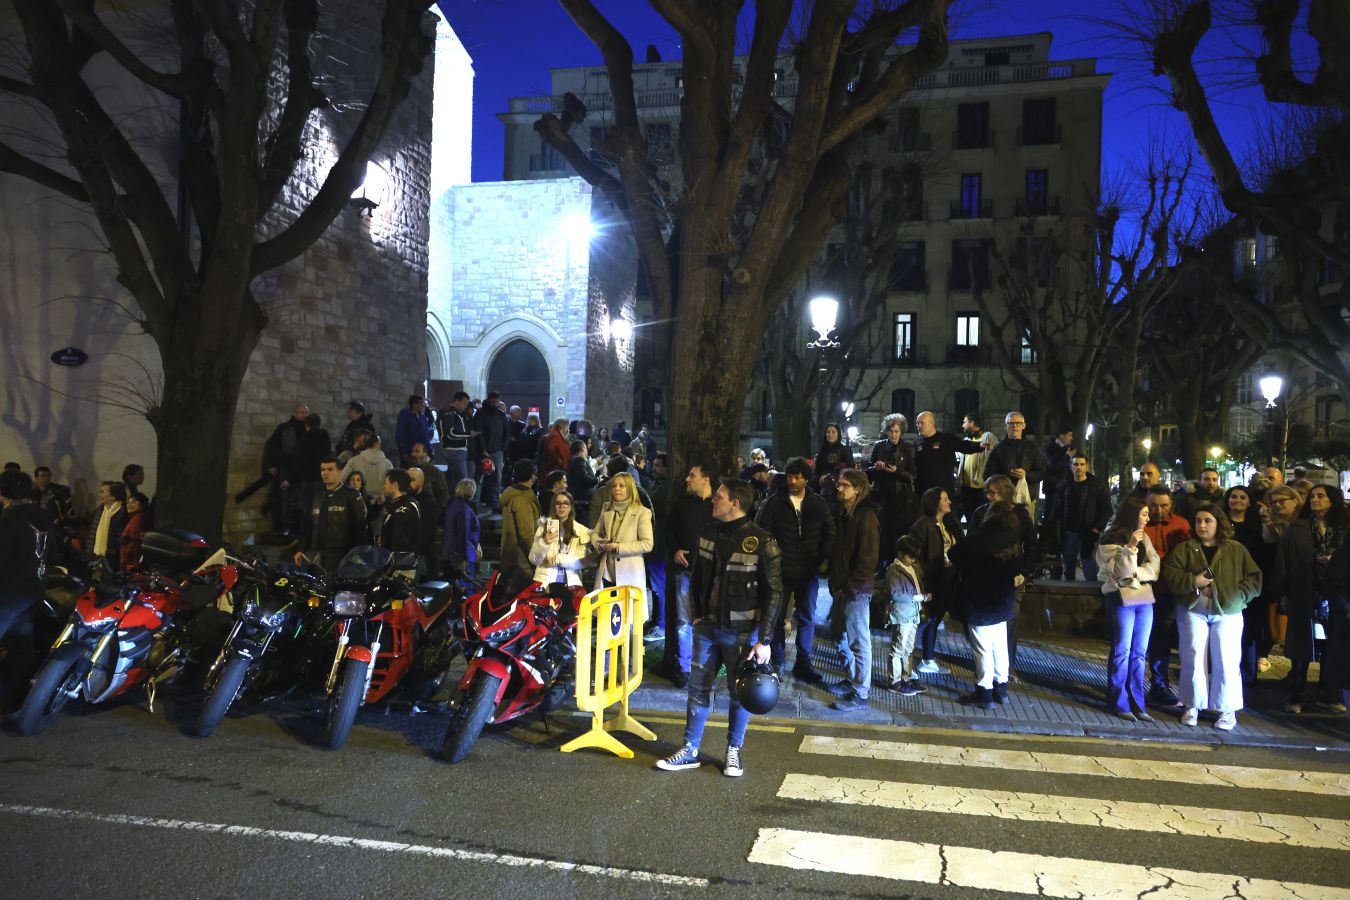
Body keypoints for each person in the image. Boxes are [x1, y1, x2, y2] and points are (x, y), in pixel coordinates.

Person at [656, 478, 782, 778]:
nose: (713, 500)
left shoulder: (763, 541)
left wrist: (764, 640)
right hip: (707, 627)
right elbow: (699, 575)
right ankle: (690, 750)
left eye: (719, 497)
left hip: (742, 631)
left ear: (735, 504)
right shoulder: (708, 532)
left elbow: (774, 592)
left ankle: (733, 751)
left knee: (739, 693)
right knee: (698, 688)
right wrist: (698, 613)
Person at [1162, 503, 1262, 730]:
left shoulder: (1236, 549)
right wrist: (1192, 582)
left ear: (1219, 523)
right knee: (1192, 657)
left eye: (1208, 520)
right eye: (1198, 521)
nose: (1202, 525)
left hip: (1228, 612)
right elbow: (1170, 573)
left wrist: (1239, 596)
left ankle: (1227, 709)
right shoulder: (1185, 548)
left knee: (1227, 660)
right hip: (1193, 610)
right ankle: (1192, 704)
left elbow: (1255, 578)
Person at [755, 457, 835, 681]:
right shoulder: (774, 502)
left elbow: (830, 531)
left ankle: (803, 661)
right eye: (790, 476)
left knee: (807, 616)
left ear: (806, 479)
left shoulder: (817, 503)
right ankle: (779, 660)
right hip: (781, 571)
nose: (793, 481)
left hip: (808, 569)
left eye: (798, 477)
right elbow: (763, 532)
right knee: (777, 617)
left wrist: (822, 556)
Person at [1270, 484, 1345, 713]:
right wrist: (1282, 593)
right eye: (1313, 496)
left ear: (1333, 500)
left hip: (1336, 594)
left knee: (1334, 644)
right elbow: (1283, 561)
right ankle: (1297, 693)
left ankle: (1328, 692)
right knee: (1301, 643)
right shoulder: (1298, 528)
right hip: (1303, 591)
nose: (1315, 499)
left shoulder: (1344, 528)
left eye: (1321, 496)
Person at [951, 501, 1024, 709]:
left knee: (982, 649)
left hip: (980, 601)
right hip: (1002, 600)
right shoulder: (1012, 538)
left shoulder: (978, 539)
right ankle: (1001, 688)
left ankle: (984, 692)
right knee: (999, 646)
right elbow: (1019, 566)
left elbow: (954, 554)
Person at [1095, 497, 1161, 721]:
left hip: (1144, 597)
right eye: (1143, 514)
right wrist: (1131, 547)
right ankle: (1119, 702)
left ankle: (1137, 703)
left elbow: (1154, 567)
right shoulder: (1109, 539)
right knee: (1122, 651)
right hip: (1120, 598)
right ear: (1132, 515)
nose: (1148, 518)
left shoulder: (1146, 537)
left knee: (1140, 653)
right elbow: (1121, 572)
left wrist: (1137, 575)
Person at [825, 469, 880, 712]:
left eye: (845, 485)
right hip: (843, 588)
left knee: (859, 641)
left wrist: (848, 587)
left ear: (858, 489)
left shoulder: (865, 517)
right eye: (839, 484)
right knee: (839, 636)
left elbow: (866, 559)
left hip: (855, 590)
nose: (840, 488)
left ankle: (861, 691)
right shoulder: (847, 516)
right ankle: (852, 678)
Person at [661, 463, 716, 688]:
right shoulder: (681, 505)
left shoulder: (717, 506)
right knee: (683, 621)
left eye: (692, 476)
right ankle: (684, 668)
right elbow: (668, 531)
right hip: (684, 573)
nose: (686, 479)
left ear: (705, 480)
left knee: (710, 621)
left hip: (711, 576)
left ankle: (707, 667)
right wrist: (674, 551)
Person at [0, 470, 51, 704]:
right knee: (21, 644)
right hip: (33, 589)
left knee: (19, 642)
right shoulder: (41, 516)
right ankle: (20, 699)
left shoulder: (9, 519)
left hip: (9, 592)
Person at [1143, 486, 1193, 709]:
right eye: (1154, 505)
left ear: (1171, 504)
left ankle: (1160, 684)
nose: (1159, 510)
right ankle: (1147, 683)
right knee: (1146, 639)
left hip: (1170, 590)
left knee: (1164, 638)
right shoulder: (1140, 522)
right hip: (1144, 589)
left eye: (1163, 505)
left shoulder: (1181, 524)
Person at [908, 487, 963, 676]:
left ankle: (928, 659)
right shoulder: (923, 525)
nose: (949, 502)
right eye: (945, 499)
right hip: (931, 580)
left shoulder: (948, 523)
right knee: (924, 620)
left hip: (947, 578)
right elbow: (915, 555)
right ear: (934, 503)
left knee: (934, 619)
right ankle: (906, 661)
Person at [1225, 485, 1273, 680]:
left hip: (1249, 586)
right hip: (1226, 585)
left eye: (1243, 497)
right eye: (1234, 496)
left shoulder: (1256, 526)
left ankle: (1247, 673)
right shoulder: (1220, 524)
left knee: (1250, 630)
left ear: (1249, 502)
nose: (1238, 500)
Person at [295, 457, 368, 573]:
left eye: (330, 469)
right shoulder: (317, 497)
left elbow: (360, 528)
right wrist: (302, 549)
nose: (325, 473)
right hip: (316, 554)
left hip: (341, 554)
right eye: (323, 470)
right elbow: (310, 526)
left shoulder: (351, 495)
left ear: (339, 472)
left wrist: (356, 555)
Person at [590, 472, 653, 597]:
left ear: (630, 488)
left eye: (621, 486)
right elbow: (595, 533)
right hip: (606, 573)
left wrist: (618, 547)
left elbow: (647, 544)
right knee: (606, 613)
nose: (616, 489)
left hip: (629, 574)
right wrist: (599, 543)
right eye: (614, 486)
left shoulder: (642, 512)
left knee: (627, 614)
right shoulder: (606, 508)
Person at [1052, 453, 1112, 581]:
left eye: (1081, 464)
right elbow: (1058, 509)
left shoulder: (1097, 486)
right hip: (1069, 532)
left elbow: (1107, 509)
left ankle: (1090, 596)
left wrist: (1097, 527)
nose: (1078, 467)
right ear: (1071, 467)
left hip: (1089, 532)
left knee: (1090, 568)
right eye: (1075, 464)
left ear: (1087, 467)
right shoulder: (1064, 486)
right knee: (1068, 567)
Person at [867, 414, 916, 567]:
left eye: (896, 431)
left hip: (900, 498)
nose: (893, 434)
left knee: (898, 532)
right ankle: (881, 566)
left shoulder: (908, 448)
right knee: (881, 533)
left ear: (901, 431)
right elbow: (868, 472)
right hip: (881, 495)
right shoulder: (879, 446)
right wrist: (877, 468)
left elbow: (912, 476)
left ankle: (895, 565)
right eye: (891, 431)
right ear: (886, 432)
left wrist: (896, 471)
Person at [885, 534, 928, 695]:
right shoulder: (894, 571)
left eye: (915, 557)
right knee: (898, 648)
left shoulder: (912, 568)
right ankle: (894, 681)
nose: (913, 560)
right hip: (902, 614)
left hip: (913, 614)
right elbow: (895, 593)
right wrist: (919, 597)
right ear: (900, 553)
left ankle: (906, 677)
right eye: (910, 556)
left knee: (908, 648)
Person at [912, 410, 989, 498]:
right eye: (917, 423)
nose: (918, 426)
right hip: (924, 492)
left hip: (944, 491)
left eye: (921, 423)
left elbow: (964, 445)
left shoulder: (946, 439)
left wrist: (979, 445)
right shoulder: (917, 443)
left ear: (931, 423)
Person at [983, 411, 1043, 519]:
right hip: (1002, 500)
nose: (1014, 426)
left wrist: (1026, 474)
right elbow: (987, 474)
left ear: (1024, 426)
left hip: (1027, 499)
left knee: (1025, 531)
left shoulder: (1033, 447)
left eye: (1018, 423)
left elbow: (1042, 473)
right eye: (1010, 423)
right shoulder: (998, 448)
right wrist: (1004, 478)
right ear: (1006, 426)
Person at [262, 404, 309, 533]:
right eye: (302, 412)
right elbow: (272, 446)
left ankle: (296, 527)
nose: (304, 415)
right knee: (284, 498)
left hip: (301, 470)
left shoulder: (308, 430)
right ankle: (283, 526)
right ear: (295, 413)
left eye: (306, 412)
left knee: (299, 498)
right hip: (286, 467)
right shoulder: (284, 428)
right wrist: (271, 465)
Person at [529, 491, 590, 587]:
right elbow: (533, 559)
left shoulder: (581, 531)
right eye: (558, 503)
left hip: (571, 582)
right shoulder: (543, 527)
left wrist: (556, 559)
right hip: (544, 582)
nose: (561, 506)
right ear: (554, 507)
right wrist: (545, 542)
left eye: (565, 503)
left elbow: (582, 561)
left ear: (570, 507)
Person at [499, 459, 541, 572]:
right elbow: (526, 534)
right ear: (532, 476)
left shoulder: (514, 495)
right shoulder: (522, 500)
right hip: (521, 562)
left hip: (514, 558)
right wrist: (536, 559)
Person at [474, 392, 511, 510]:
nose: (495, 404)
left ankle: (494, 502)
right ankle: (476, 503)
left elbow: (507, 432)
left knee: (496, 478)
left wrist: (503, 447)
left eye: (497, 402)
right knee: (479, 477)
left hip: (497, 451)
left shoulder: (501, 415)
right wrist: (483, 449)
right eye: (493, 401)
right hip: (483, 451)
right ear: (489, 400)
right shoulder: (480, 414)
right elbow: (479, 433)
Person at [957, 414, 995, 522]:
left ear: (972, 423)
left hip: (981, 488)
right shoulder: (966, 440)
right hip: (966, 487)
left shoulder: (988, 437)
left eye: (965, 422)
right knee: (970, 518)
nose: (963, 425)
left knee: (982, 519)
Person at [441, 479, 481, 580]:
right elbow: (463, 534)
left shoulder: (453, 506)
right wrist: (468, 556)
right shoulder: (464, 509)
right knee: (461, 586)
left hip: (451, 552)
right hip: (460, 555)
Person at [339, 434, 393, 508]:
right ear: (377, 444)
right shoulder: (388, 464)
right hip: (380, 503)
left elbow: (340, 480)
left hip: (357, 502)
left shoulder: (354, 461)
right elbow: (392, 486)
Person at [378, 470, 422, 556]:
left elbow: (401, 540)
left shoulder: (407, 507)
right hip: (390, 560)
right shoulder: (392, 504)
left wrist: (385, 541)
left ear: (394, 485)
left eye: (386, 483)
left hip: (401, 563)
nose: (384, 486)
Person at [1039, 427, 1075, 522]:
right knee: (1050, 517)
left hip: (1067, 488)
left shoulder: (1070, 449)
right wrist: (1067, 456)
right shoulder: (1048, 449)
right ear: (1061, 435)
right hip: (1053, 488)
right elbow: (1052, 466)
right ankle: (1046, 536)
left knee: (1063, 518)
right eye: (1069, 435)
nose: (1072, 438)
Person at [813, 422, 854, 503]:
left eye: (833, 432)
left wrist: (831, 477)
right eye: (828, 432)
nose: (830, 434)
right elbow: (818, 470)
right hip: (821, 485)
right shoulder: (822, 450)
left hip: (838, 485)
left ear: (838, 434)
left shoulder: (845, 449)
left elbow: (850, 468)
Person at [92, 481, 127, 572]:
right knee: (96, 579)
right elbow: (93, 533)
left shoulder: (121, 513)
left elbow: (120, 537)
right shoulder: (101, 510)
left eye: (103, 492)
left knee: (109, 582)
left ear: (113, 496)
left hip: (112, 557)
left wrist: (112, 552)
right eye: (100, 492)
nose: (100, 495)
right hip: (98, 554)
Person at [440, 392, 473, 487]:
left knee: (452, 479)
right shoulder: (449, 413)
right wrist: (468, 434)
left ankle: (452, 500)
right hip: (454, 450)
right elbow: (450, 433)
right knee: (462, 480)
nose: (466, 406)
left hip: (457, 450)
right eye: (464, 403)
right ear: (457, 401)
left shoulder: (456, 414)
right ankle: (460, 501)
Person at [409, 443, 449, 519]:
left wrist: (436, 512)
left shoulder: (434, 472)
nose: (413, 454)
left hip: (428, 514)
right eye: (413, 451)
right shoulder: (407, 471)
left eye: (417, 451)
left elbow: (443, 494)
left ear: (425, 453)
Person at [395, 395, 434, 466]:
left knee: (422, 471)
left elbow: (425, 436)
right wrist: (404, 452)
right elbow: (400, 435)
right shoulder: (405, 415)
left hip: (422, 453)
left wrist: (430, 451)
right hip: (409, 452)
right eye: (421, 403)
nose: (423, 406)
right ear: (414, 404)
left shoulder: (423, 418)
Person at [119, 493, 149, 572]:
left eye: (133, 502)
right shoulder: (135, 517)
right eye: (128, 502)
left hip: (131, 560)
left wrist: (127, 557)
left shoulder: (138, 518)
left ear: (143, 505)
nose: (129, 505)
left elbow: (136, 539)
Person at [539, 417, 572, 481]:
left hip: (556, 469)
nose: (568, 429)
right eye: (567, 426)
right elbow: (552, 450)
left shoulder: (556, 434)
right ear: (564, 426)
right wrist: (559, 460)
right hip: (555, 470)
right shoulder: (555, 436)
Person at [567, 440, 598, 505]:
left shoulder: (574, 460)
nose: (587, 451)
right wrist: (598, 480)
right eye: (586, 448)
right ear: (582, 449)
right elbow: (584, 480)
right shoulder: (579, 460)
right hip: (582, 503)